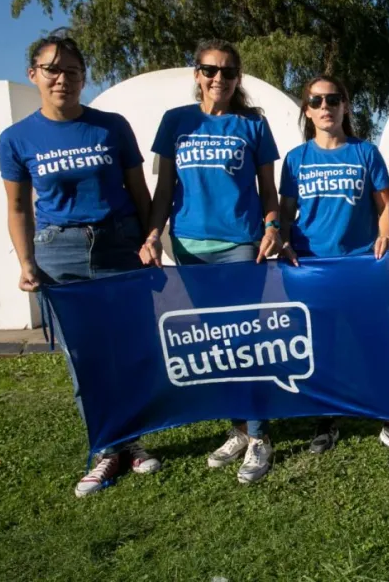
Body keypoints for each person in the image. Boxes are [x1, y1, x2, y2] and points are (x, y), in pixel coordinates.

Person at [0, 31, 161, 497]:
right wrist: (27, 260)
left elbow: (139, 192)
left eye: (71, 71)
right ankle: (108, 449)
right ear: (34, 75)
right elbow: (18, 208)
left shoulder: (112, 126)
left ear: (83, 77)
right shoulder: (17, 138)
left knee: (130, 351)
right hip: (59, 253)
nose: (62, 79)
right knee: (82, 358)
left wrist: (150, 239)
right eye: (52, 70)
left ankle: (132, 444)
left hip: (119, 244)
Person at [142, 39, 282, 483]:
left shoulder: (252, 125)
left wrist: (272, 226)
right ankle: (238, 429)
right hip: (187, 245)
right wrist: (152, 232)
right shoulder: (175, 122)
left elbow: (268, 191)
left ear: (238, 78)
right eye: (209, 69)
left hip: (241, 244)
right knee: (216, 343)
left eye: (227, 71)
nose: (218, 78)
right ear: (197, 73)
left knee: (245, 338)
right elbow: (165, 189)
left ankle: (260, 437)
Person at [277, 75, 389, 456]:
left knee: (374, 343)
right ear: (307, 110)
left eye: (333, 99)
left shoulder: (365, 153)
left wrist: (384, 234)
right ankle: (326, 421)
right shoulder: (296, 160)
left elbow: (385, 206)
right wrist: (280, 240)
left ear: (345, 106)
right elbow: (284, 213)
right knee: (321, 347)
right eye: (316, 101)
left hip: (360, 266)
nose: (325, 106)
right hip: (310, 269)